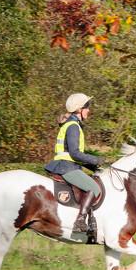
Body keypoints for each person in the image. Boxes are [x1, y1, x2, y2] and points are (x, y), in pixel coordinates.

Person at [45, 93, 105, 233]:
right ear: (79, 109)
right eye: (87, 107)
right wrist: (95, 159)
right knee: (94, 188)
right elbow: (75, 154)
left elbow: (75, 156)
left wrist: (93, 166)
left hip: (68, 165)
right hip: (67, 168)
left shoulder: (73, 124)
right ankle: (80, 221)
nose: (89, 110)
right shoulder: (73, 126)